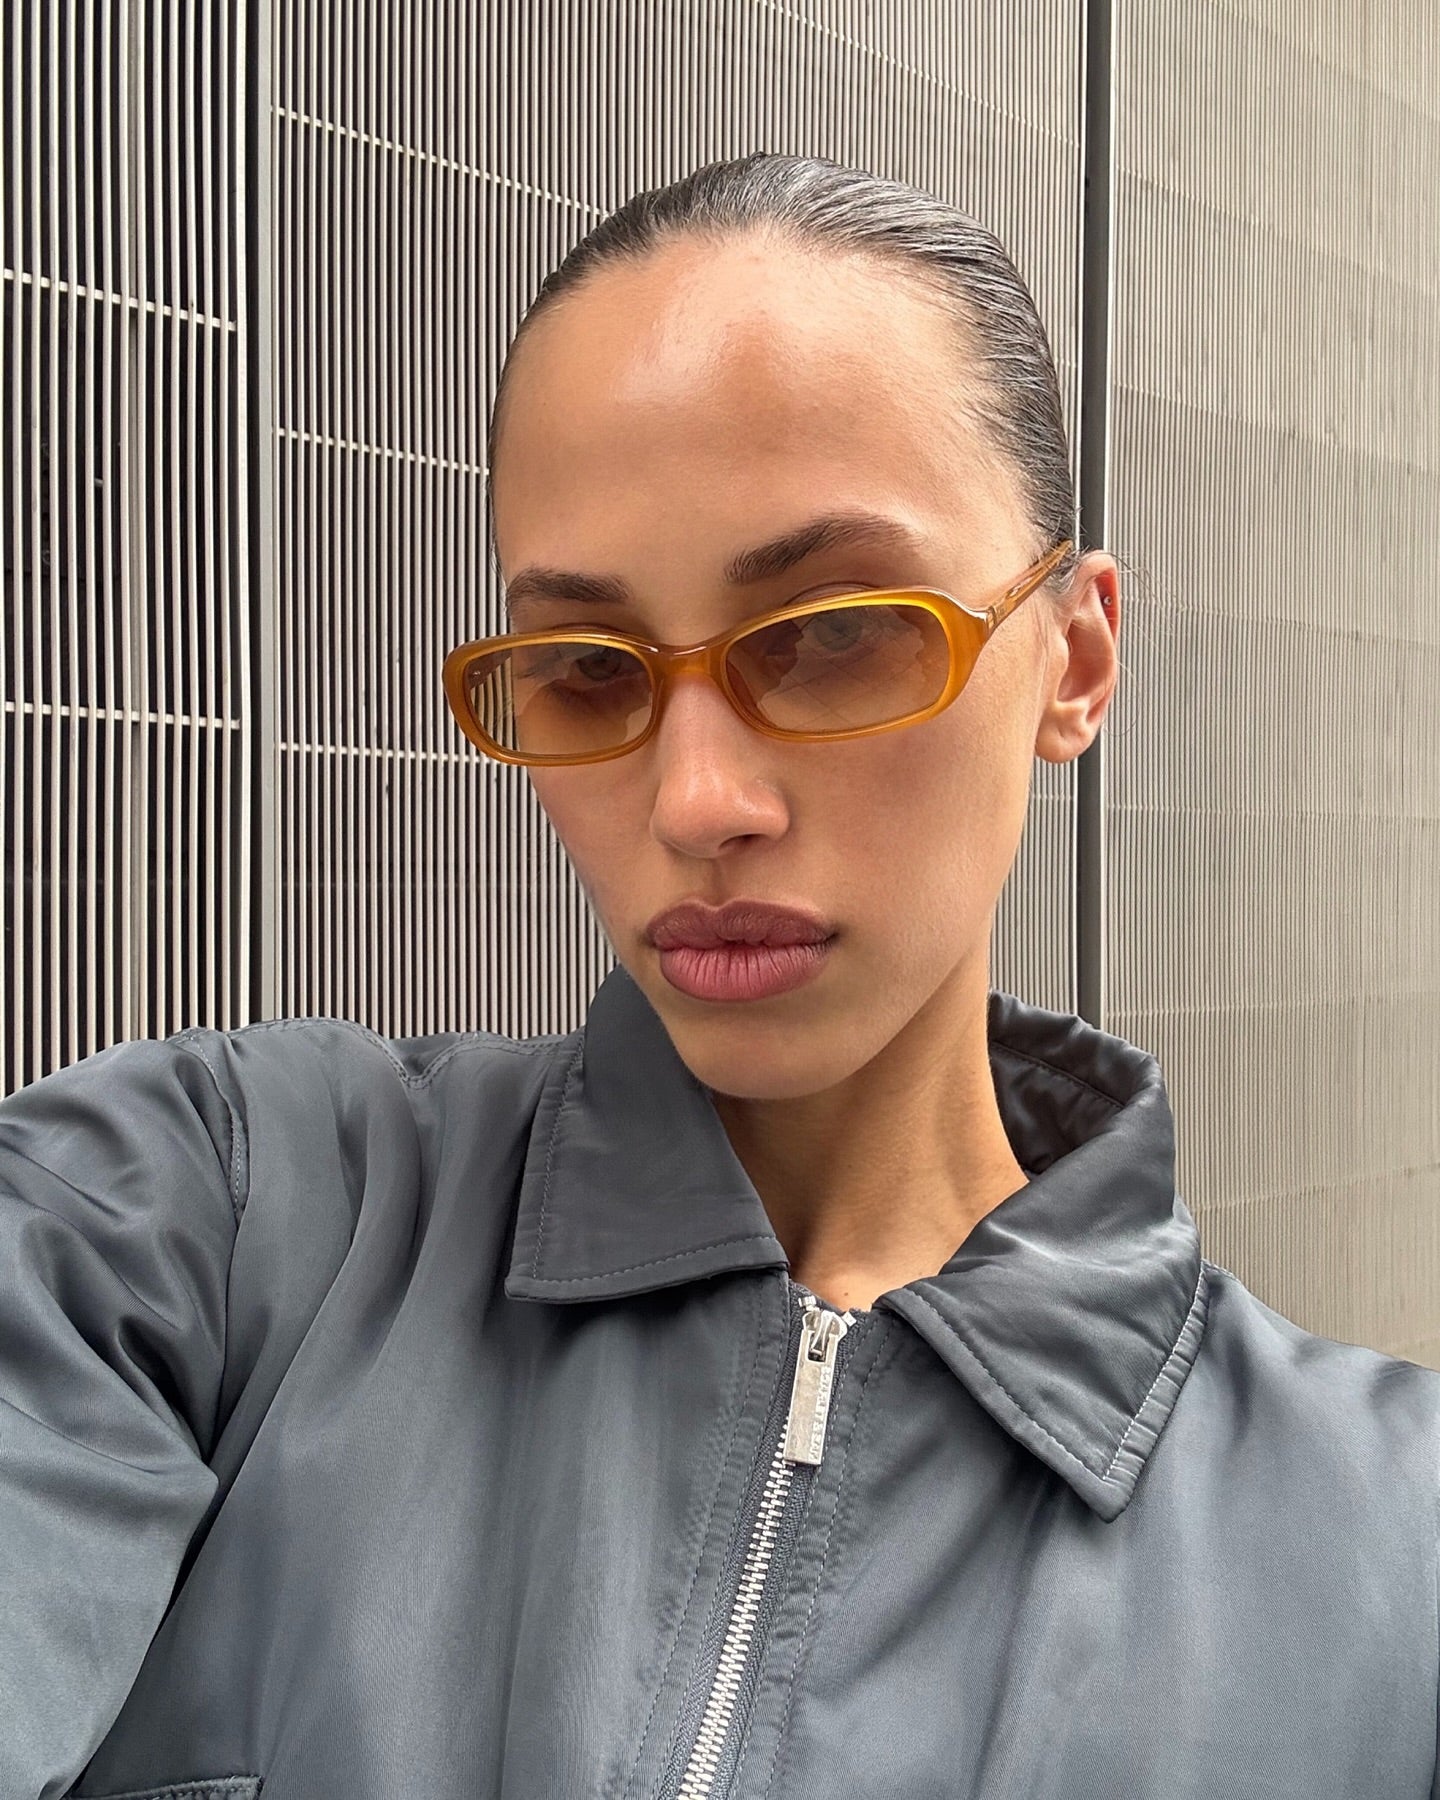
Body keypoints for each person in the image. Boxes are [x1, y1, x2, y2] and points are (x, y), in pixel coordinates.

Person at [2, 153, 1436, 1800]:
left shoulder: (1390, 1558)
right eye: (584, 666)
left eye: (835, 632)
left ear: (1076, 656)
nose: (696, 802)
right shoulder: (207, 1216)